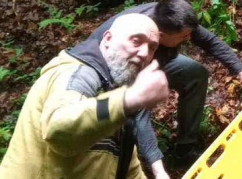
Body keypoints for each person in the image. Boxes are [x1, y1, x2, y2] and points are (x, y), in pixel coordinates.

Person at [87, 0, 242, 167]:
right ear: (161, 35)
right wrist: (156, 163)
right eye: (183, 37)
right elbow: (139, 112)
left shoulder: (172, 19)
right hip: (112, 77)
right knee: (124, 123)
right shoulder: (135, 48)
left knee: (195, 73)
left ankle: (185, 148)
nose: (189, 39)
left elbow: (209, 41)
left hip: (157, 59)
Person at [0, 14, 170, 179]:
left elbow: (127, 167)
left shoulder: (115, 91)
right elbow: (59, 130)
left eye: (152, 47)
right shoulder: (77, 74)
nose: (144, 53)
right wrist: (127, 100)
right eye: (136, 41)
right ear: (108, 39)